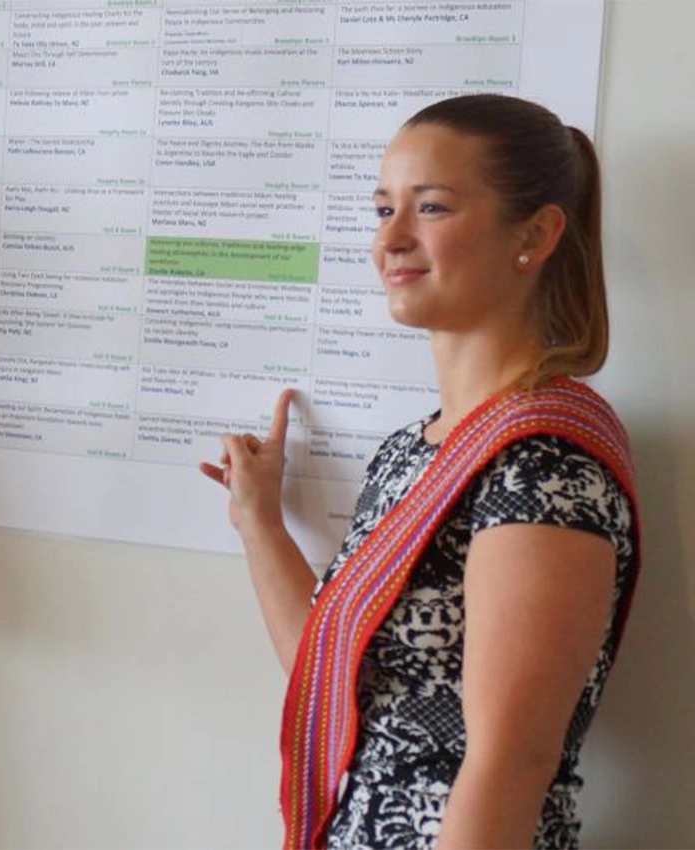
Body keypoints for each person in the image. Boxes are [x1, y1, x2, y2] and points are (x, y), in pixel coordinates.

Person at [201, 94, 641, 849]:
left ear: (535, 234)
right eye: (382, 211)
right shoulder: (415, 448)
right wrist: (260, 523)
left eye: (431, 208)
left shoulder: (543, 467)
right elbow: (338, 681)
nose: (392, 240)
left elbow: (510, 764)